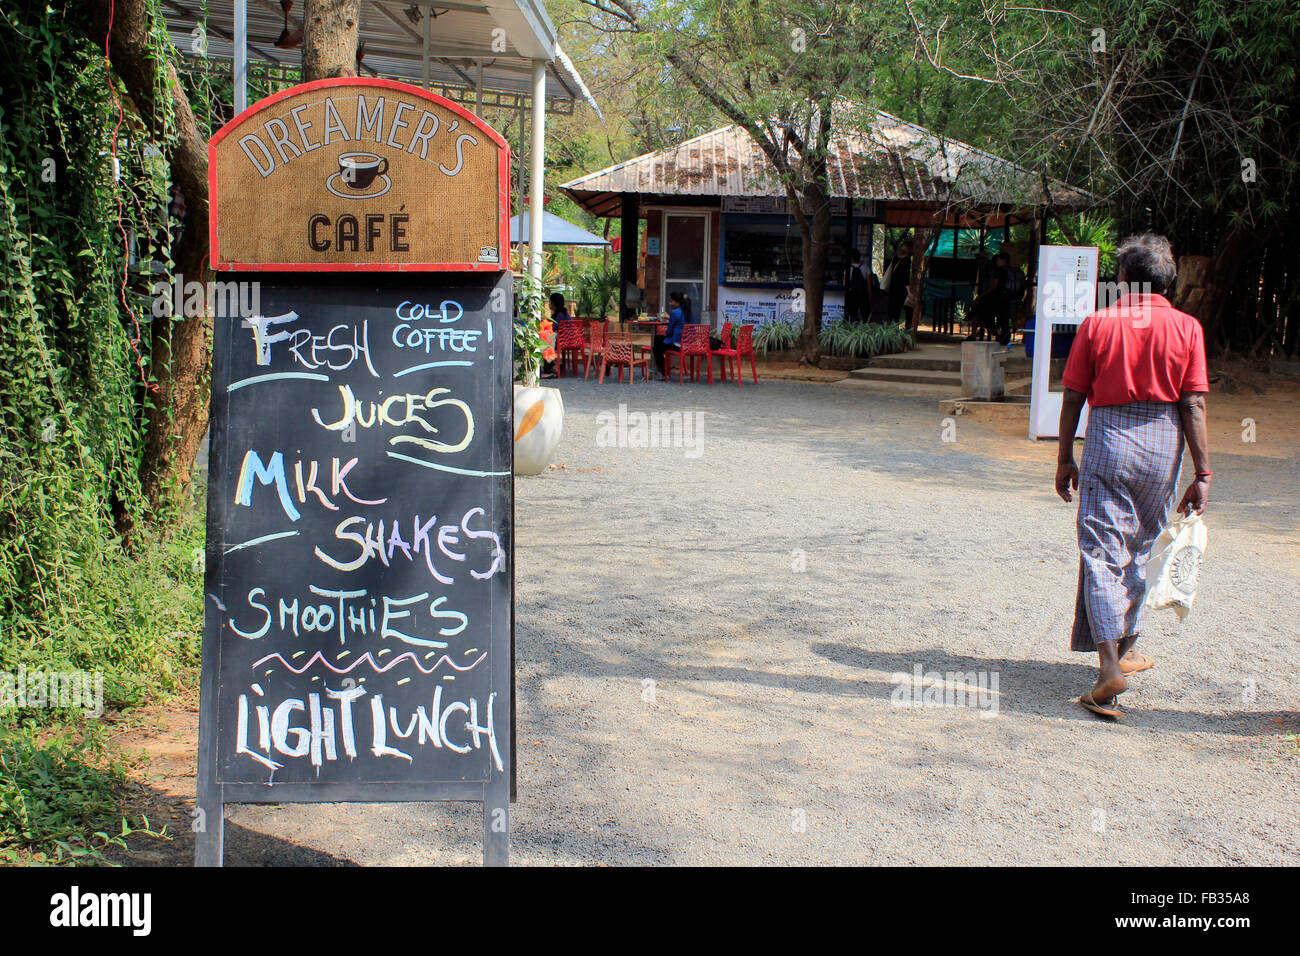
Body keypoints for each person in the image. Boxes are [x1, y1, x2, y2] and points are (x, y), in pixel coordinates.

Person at [1054, 234, 1211, 720]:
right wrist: (1202, 471)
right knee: (1140, 549)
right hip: (1164, 444)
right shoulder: (1187, 328)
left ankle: (1108, 670)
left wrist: (1064, 457)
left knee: (1102, 550)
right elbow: (1194, 403)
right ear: (1169, 280)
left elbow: (1075, 395)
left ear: (1123, 278)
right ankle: (1125, 648)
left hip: (1109, 440)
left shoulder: (1099, 323)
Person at [971, 251, 1025, 345]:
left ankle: (994, 330)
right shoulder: (1017, 271)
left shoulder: (999, 270)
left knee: (981, 309)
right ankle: (1003, 332)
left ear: (1001, 260)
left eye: (997, 260)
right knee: (1004, 317)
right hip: (1014, 298)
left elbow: (993, 287)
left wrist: (979, 297)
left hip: (1000, 298)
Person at [652, 290, 690, 380]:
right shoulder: (687, 311)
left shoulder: (675, 312)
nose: (669, 303)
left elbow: (669, 332)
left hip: (678, 344)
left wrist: (670, 319)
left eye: (671, 301)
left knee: (657, 343)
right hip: (687, 344)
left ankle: (663, 372)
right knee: (658, 342)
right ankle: (663, 370)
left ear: (677, 302)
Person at [884, 239, 913, 326]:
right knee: (901, 309)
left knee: (892, 308)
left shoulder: (895, 258)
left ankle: (891, 325)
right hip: (901, 289)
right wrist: (909, 292)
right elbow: (905, 277)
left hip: (893, 287)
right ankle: (900, 325)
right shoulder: (906, 261)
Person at [540, 292, 566, 378]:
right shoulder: (562, 313)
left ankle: (548, 370)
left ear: (554, 304)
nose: (549, 304)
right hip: (569, 339)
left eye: (550, 302)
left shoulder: (559, 316)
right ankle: (553, 365)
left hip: (564, 340)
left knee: (547, 340)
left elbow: (552, 329)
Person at [843, 249, 872, 323]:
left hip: (852, 294)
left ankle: (854, 328)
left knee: (853, 314)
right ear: (859, 257)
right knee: (865, 314)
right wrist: (869, 296)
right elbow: (869, 284)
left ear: (851, 258)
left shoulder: (848, 268)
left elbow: (844, 283)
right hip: (863, 294)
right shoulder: (865, 267)